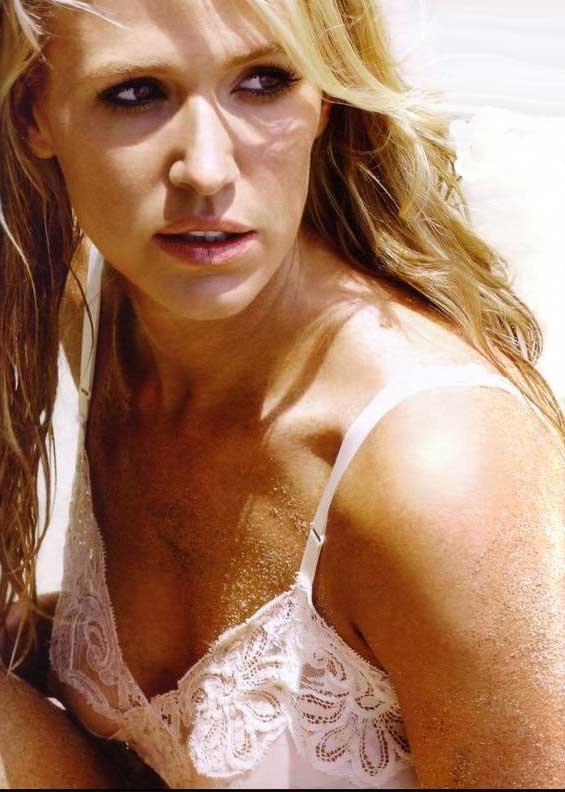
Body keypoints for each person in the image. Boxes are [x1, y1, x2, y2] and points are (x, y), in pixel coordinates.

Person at [1, 0, 563, 787]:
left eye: (264, 82)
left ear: (325, 97)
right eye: (136, 94)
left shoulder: (436, 471)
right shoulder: (101, 313)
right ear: (33, 112)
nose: (205, 170)